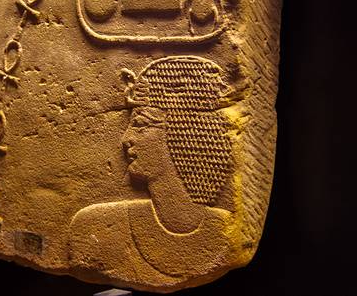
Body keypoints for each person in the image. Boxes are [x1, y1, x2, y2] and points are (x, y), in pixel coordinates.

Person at [69, 56, 236, 286]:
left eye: (141, 125)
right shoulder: (94, 228)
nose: (126, 139)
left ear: (184, 133)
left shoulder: (225, 232)